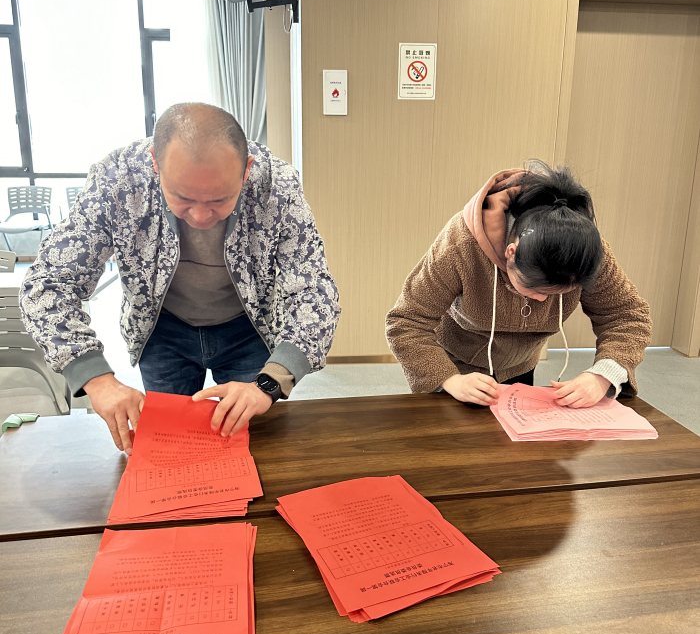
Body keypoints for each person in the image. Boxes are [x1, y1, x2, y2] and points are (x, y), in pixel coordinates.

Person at [20, 103, 340, 452]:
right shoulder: (118, 181)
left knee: (256, 446)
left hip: (249, 329)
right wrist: (95, 378)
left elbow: (314, 290)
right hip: (162, 331)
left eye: (220, 199)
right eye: (182, 198)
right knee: (169, 447)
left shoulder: (277, 185)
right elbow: (47, 284)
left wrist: (271, 381)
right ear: (155, 165)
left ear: (246, 170)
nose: (201, 216)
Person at [386, 161, 651, 408]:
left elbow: (627, 316)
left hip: (521, 365)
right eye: (535, 289)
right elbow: (406, 322)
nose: (542, 301)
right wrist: (449, 380)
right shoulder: (460, 246)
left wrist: (603, 375)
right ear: (511, 253)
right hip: (455, 364)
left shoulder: (585, 255)